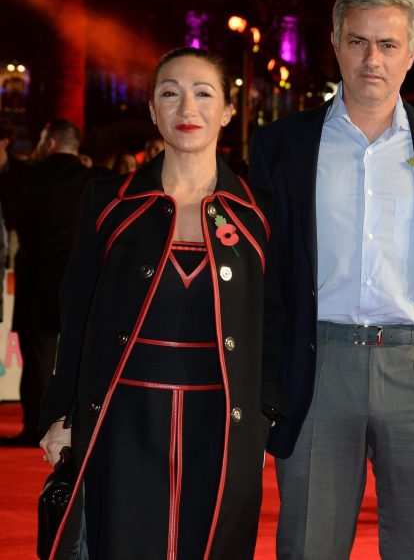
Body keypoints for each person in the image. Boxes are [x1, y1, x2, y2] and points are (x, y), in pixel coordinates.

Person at [249, 0, 414, 560]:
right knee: (309, 544)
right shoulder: (281, 144)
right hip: (318, 366)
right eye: (357, 41)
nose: (371, 58)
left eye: (387, 44)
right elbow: (267, 270)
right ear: (335, 42)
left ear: (412, 52)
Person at [38, 47, 280, 559]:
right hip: (124, 415)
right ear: (152, 109)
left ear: (228, 110)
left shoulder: (259, 214)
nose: (186, 108)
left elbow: (274, 325)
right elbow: (76, 315)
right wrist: (62, 414)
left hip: (219, 420)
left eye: (203, 94)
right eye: (169, 93)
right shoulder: (109, 203)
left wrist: (262, 419)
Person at [0, 119, 93, 447]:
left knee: (37, 361)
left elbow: (11, 217)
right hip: (80, 285)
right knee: (82, 358)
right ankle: (78, 425)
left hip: (36, 283)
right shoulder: (93, 181)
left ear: (50, 142)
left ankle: (35, 427)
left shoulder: (28, 178)